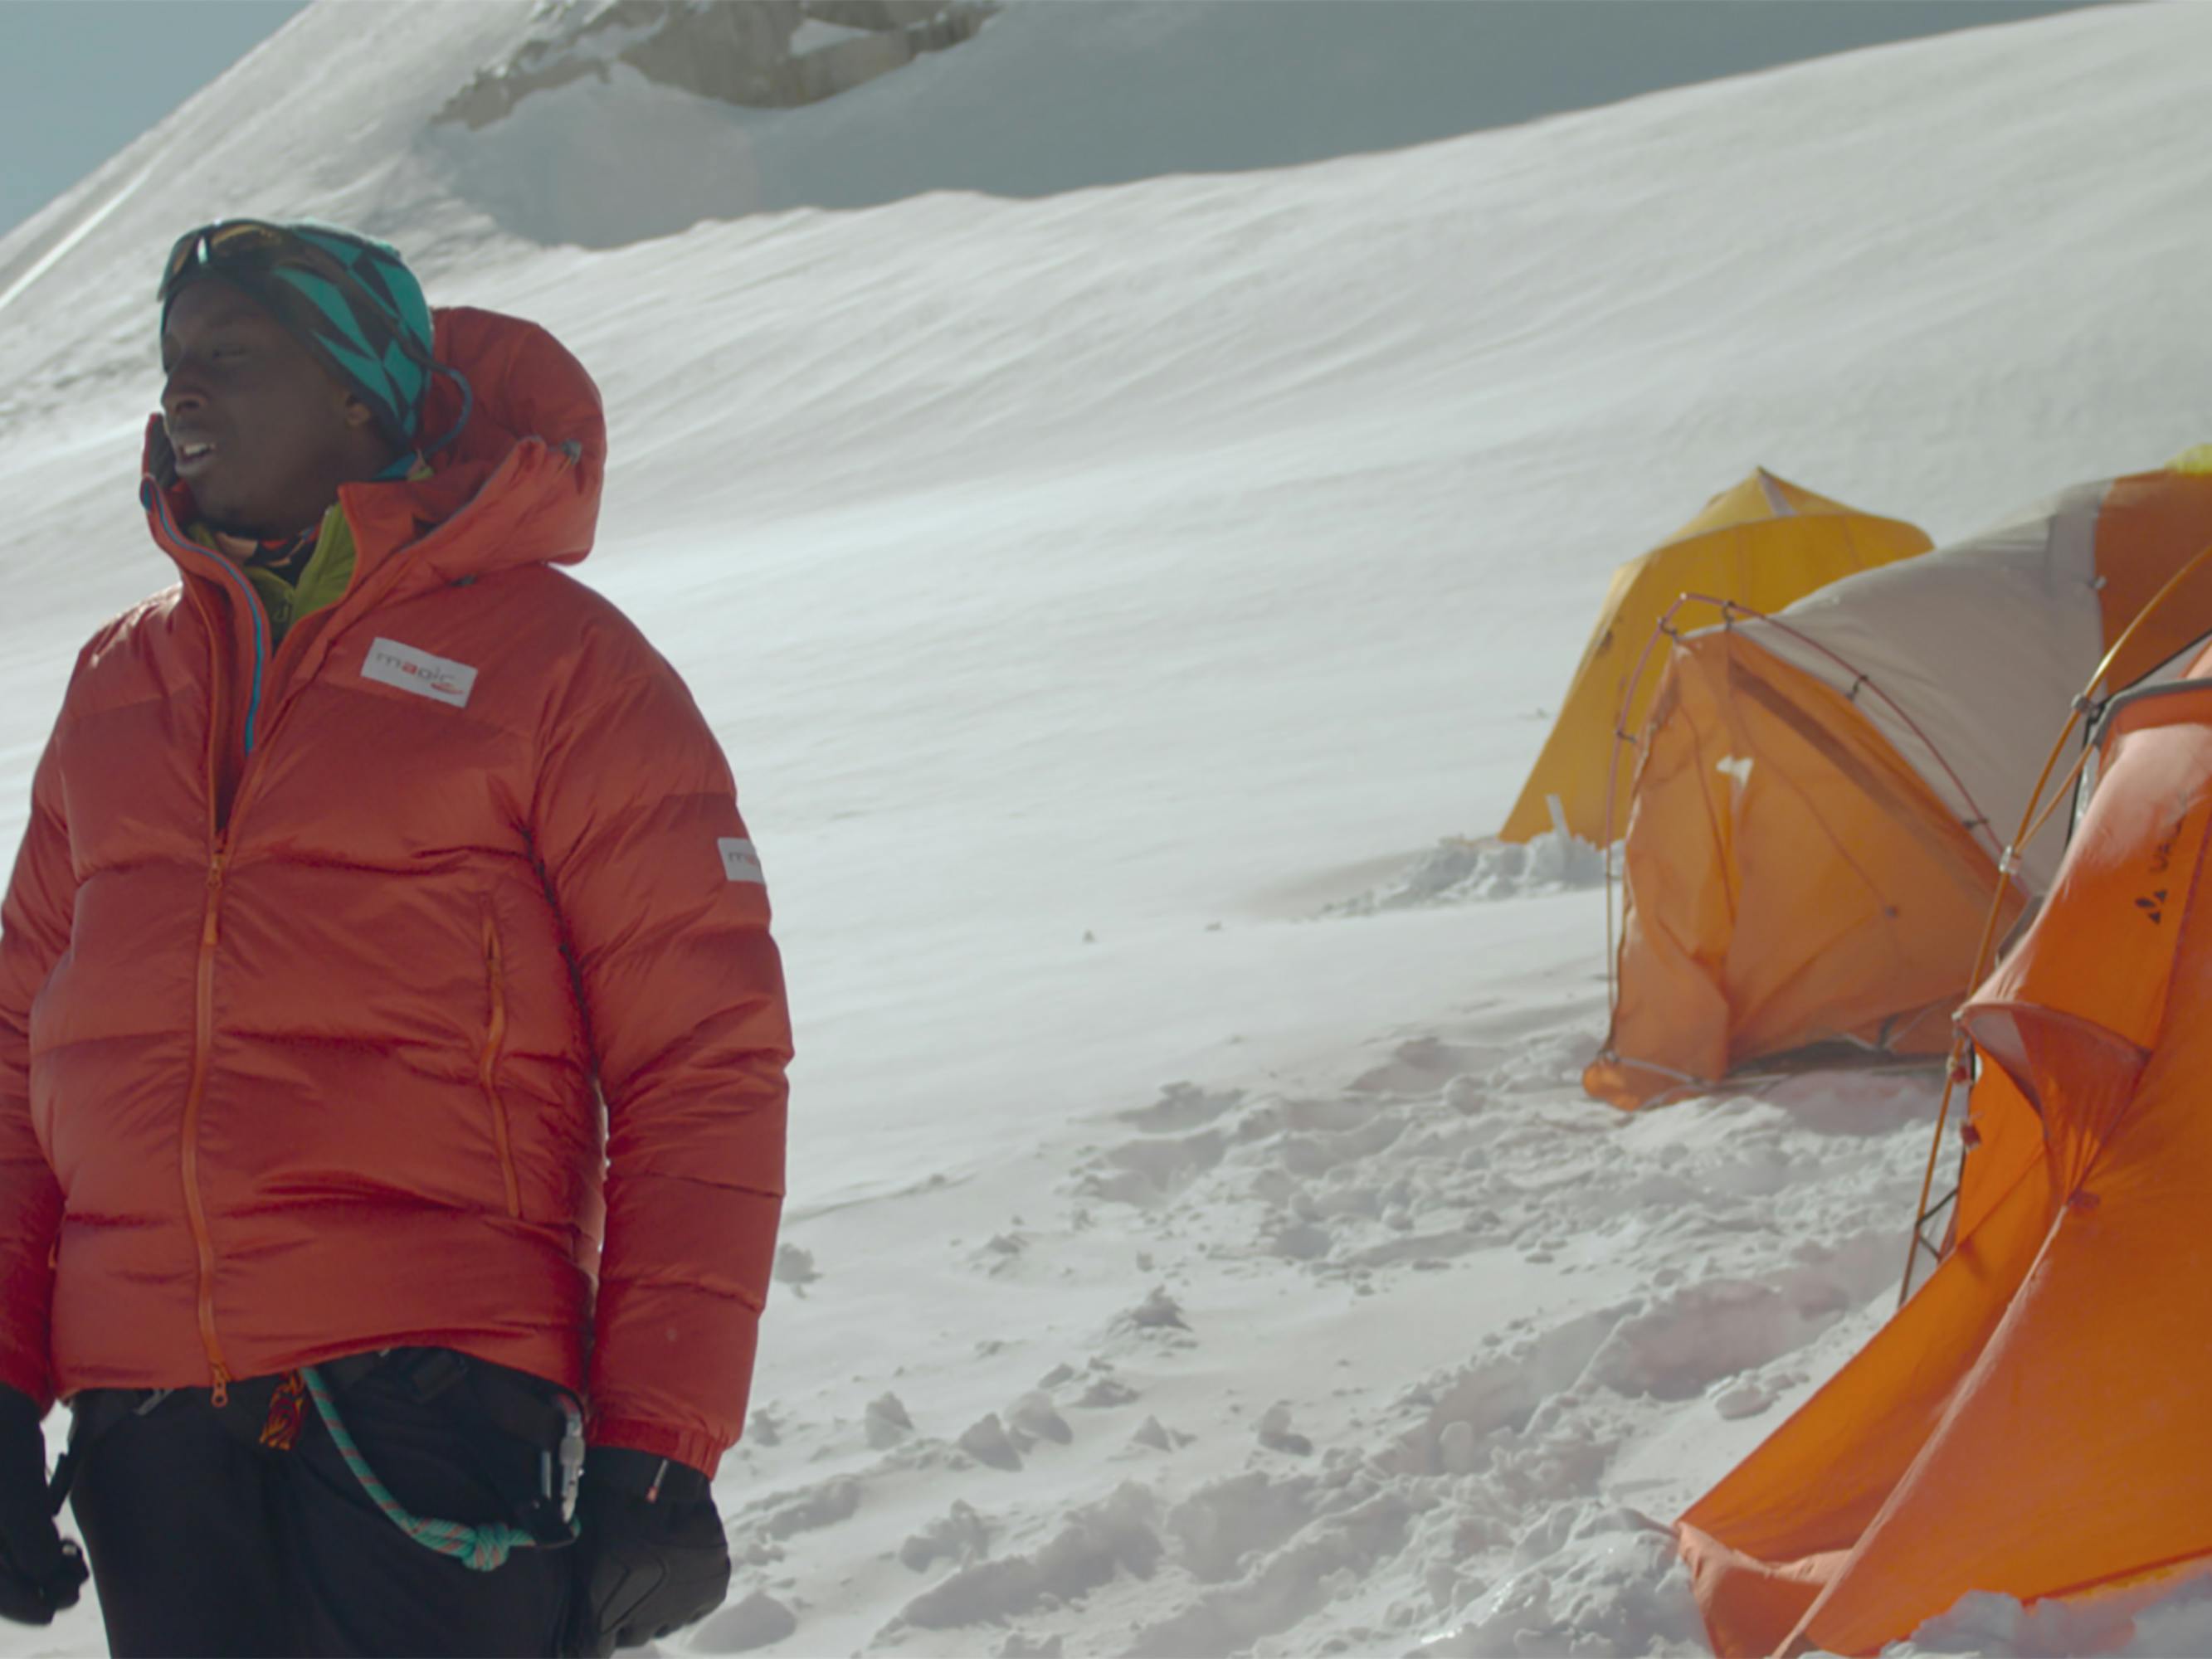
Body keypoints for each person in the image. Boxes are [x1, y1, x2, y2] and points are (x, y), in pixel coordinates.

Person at [0, 219, 792, 1657]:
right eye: (171, 363)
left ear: (361, 400)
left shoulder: (560, 663)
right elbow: (15, 1058)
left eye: (228, 358)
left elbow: (703, 1058)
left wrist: (662, 1436)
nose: (180, 395)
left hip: (431, 1408)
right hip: (152, 1429)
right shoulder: (119, 682)